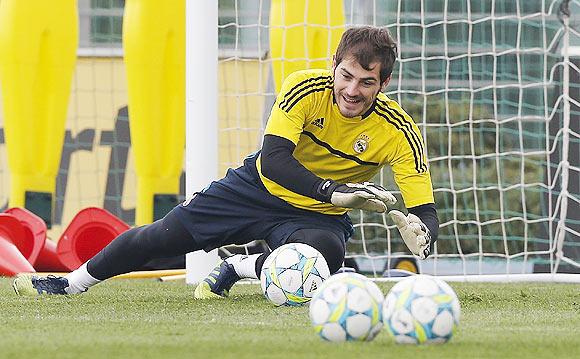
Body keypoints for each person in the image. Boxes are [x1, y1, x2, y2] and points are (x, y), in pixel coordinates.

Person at [13, 26, 438, 298]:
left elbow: (425, 210)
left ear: (384, 83)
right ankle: (70, 283)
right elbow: (273, 160)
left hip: (318, 218)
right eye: (346, 76)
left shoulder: (399, 131)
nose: (352, 90)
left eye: (366, 82)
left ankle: (239, 264)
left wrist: (420, 229)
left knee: (324, 261)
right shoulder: (303, 89)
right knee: (161, 237)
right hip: (254, 190)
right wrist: (336, 192)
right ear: (334, 67)